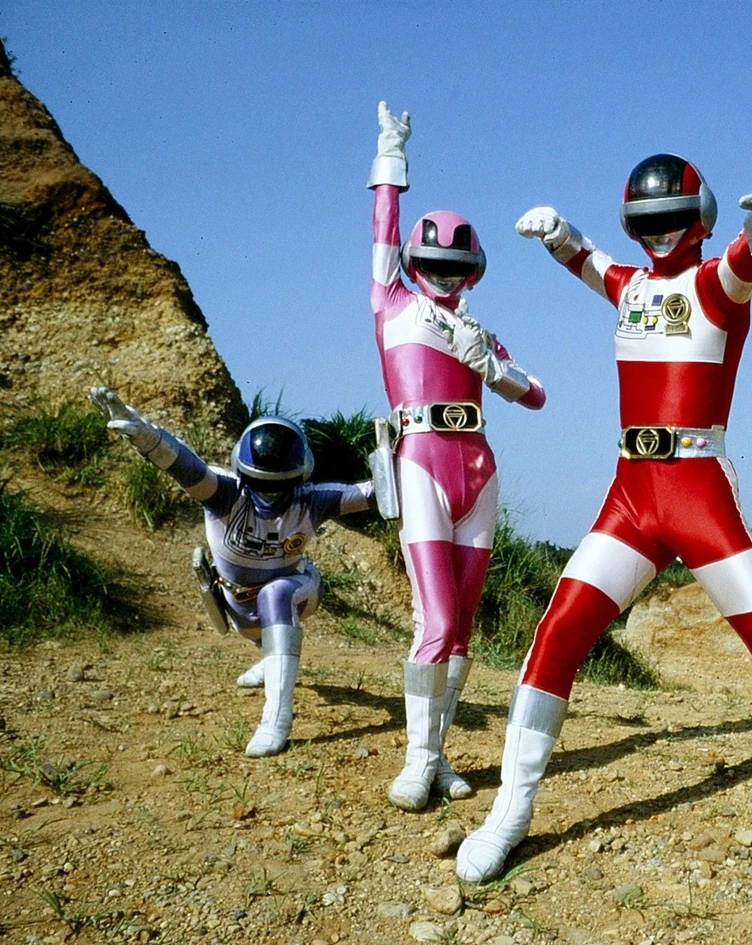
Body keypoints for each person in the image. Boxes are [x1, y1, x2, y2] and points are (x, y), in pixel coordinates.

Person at [456, 132, 752, 884]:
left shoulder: (716, 286)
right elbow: (591, 264)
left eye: (673, 218)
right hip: (631, 494)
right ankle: (511, 811)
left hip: (699, 492)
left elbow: (751, 255)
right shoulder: (632, 288)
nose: (659, 233)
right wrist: (559, 235)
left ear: (701, 218)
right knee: (558, 632)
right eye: (646, 222)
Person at [368, 101, 546, 810]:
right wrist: (392, 157)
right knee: (436, 621)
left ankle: (436, 755)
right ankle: (418, 761)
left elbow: (536, 394)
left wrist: (491, 366)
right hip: (420, 461)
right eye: (434, 264)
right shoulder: (392, 305)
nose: (444, 276)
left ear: (472, 271)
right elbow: (382, 232)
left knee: (463, 627)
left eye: (456, 267)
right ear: (417, 265)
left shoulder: (478, 331)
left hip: (478, 469)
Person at [89, 388, 372, 757]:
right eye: (262, 484)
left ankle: (276, 720)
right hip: (237, 604)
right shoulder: (223, 494)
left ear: (300, 476)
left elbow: (374, 492)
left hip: (298, 588)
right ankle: (269, 659)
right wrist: (148, 437)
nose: (271, 496)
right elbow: (185, 466)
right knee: (257, 623)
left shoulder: (313, 501)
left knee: (275, 595)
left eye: (281, 486)